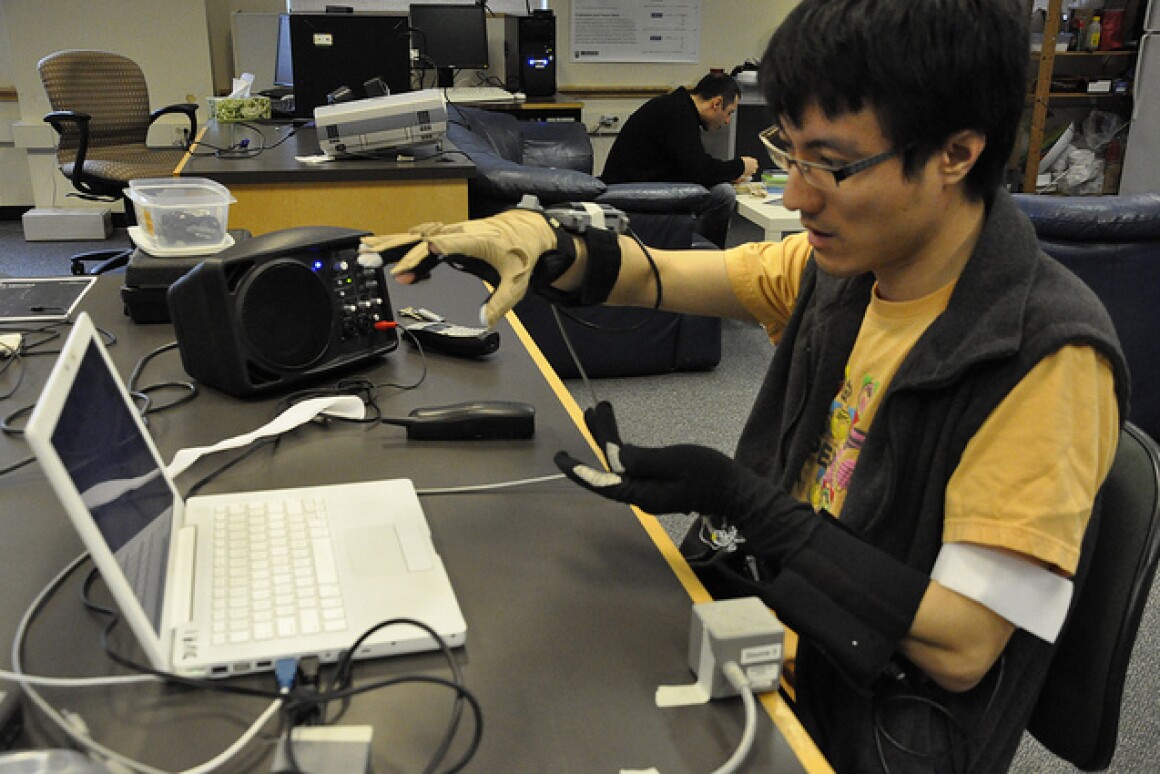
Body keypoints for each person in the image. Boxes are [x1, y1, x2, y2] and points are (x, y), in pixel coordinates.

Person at [360, 1, 1129, 771]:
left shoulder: (1044, 357)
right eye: (789, 153)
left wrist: (747, 504)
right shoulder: (847, 270)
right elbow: (652, 275)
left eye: (829, 164)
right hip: (766, 628)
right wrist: (544, 238)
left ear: (955, 153)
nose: (795, 197)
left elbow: (963, 644)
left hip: (864, 728)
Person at [600, 72, 759, 248]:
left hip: (636, 185)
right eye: (729, 113)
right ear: (716, 103)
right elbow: (700, 170)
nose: (728, 121)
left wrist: (726, 174)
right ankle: (709, 255)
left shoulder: (677, 107)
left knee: (720, 188)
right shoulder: (679, 115)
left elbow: (688, 165)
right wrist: (740, 166)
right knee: (723, 194)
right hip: (630, 194)